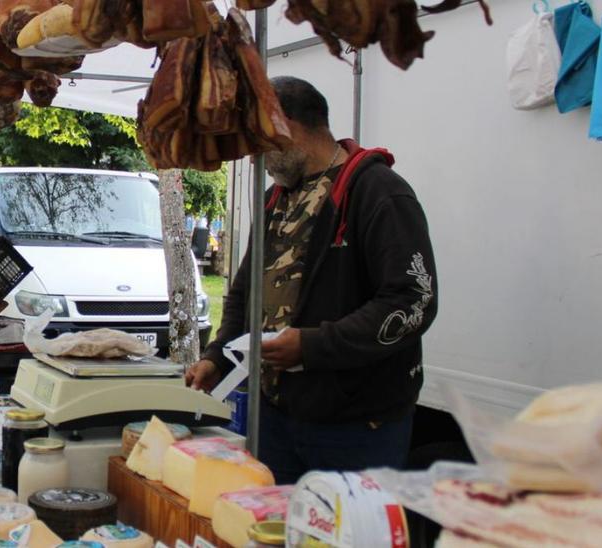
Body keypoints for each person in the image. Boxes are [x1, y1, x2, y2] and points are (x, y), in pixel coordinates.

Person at [185, 77, 438, 485]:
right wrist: (217, 356)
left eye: (258, 139)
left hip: (355, 427)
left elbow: (412, 301)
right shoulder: (276, 198)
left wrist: (312, 346)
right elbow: (244, 293)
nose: (253, 157)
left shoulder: (378, 192)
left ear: (286, 124)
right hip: (277, 418)